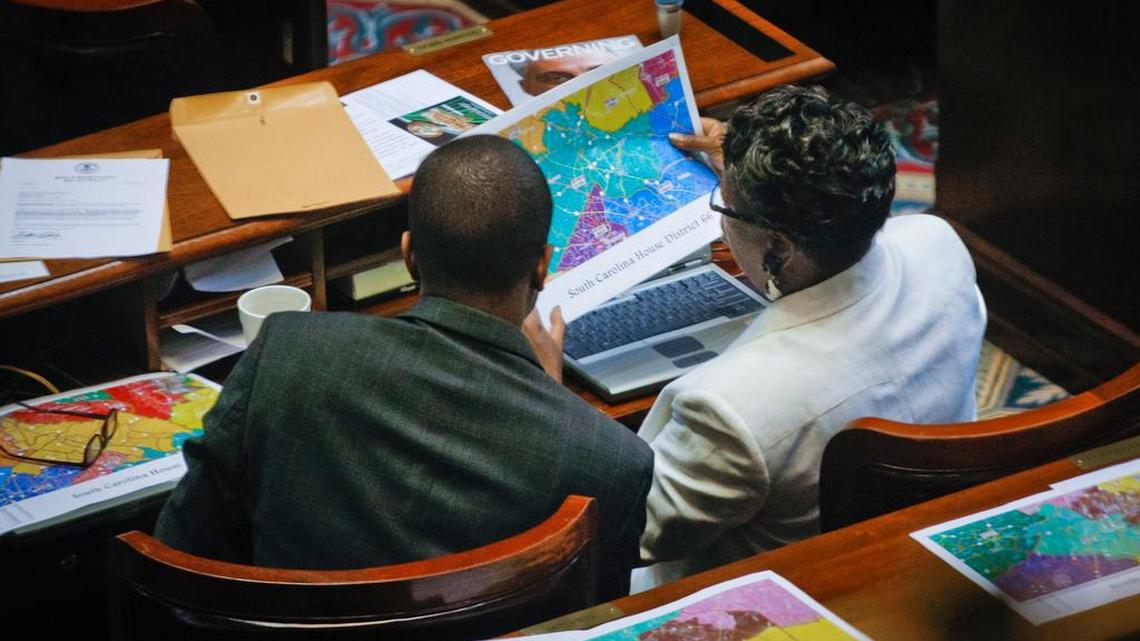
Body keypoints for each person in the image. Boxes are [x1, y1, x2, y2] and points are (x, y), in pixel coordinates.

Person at [154, 135, 654, 598]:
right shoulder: (612, 462)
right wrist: (553, 399)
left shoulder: (286, 350)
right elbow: (591, 619)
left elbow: (180, 549)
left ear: (408, 254)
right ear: (543, 266)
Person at [548, 84, 984, 589]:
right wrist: (750, 177)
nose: (722, 220)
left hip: (765, 594)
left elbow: (623, 533)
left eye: (725, 209)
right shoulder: (939, 244)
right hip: (911, 545)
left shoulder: (734, 407)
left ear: (778, 246)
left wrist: (552, 396)